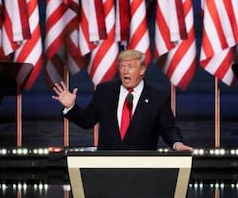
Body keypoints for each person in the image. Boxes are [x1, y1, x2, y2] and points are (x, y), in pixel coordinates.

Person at [52, 49, 194, 151]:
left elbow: (168, 129)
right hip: (107, 169)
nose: (125, 71)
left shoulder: (158, 97)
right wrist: (71, 107)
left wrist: (177, 144)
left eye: (130, 66)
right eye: (122, 66)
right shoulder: (104, 91)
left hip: (143, 171)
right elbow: (87, 120)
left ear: (142, 70)